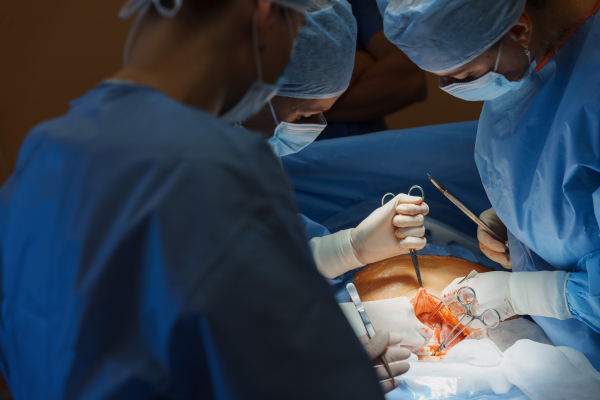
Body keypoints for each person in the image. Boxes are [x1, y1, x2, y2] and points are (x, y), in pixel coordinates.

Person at [0, 0, 410, 397]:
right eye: (299, 28)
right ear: (264, 13)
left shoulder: (44, 150)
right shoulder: (218, 165)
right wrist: (336, 370)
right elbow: (290, 373)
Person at [380, 0, 600, 369]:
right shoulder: (525, 71)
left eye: (464, 75)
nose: (450, 87)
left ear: (518, 31)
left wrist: (526, 293)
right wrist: (514, 221)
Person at [243, 0, 432, 351]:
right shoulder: (187, 163)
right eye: (303, 116)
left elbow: (269, 255)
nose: (316, 128)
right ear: (253, 90)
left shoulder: (251, 148)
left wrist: (350, 248)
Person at [315, 0, 427, 140]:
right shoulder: (281, 11)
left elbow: (410, 80)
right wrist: (363, 61)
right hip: (293, 159)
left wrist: (300, 108)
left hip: (369, 154)